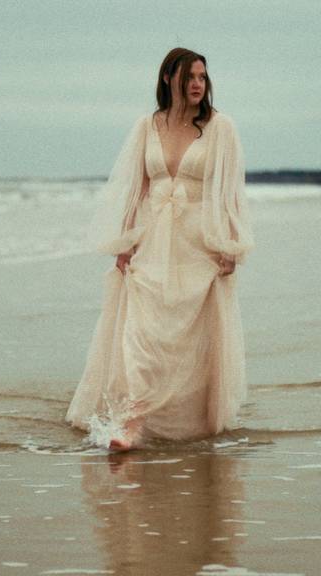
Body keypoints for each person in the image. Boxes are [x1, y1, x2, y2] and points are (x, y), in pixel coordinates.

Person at [64, 48, 254, 451]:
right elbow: (139, 187)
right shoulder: (146, 126)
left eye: (202, 76)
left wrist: (232, 244)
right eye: (189, 77)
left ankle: (186, 419)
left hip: (199, 244)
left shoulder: (221, 128)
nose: (197, 84)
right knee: (142, 332)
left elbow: (230, 192)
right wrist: (125, 241)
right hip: (151, 241)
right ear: (169, 79)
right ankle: (132, 420)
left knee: (188, 340)